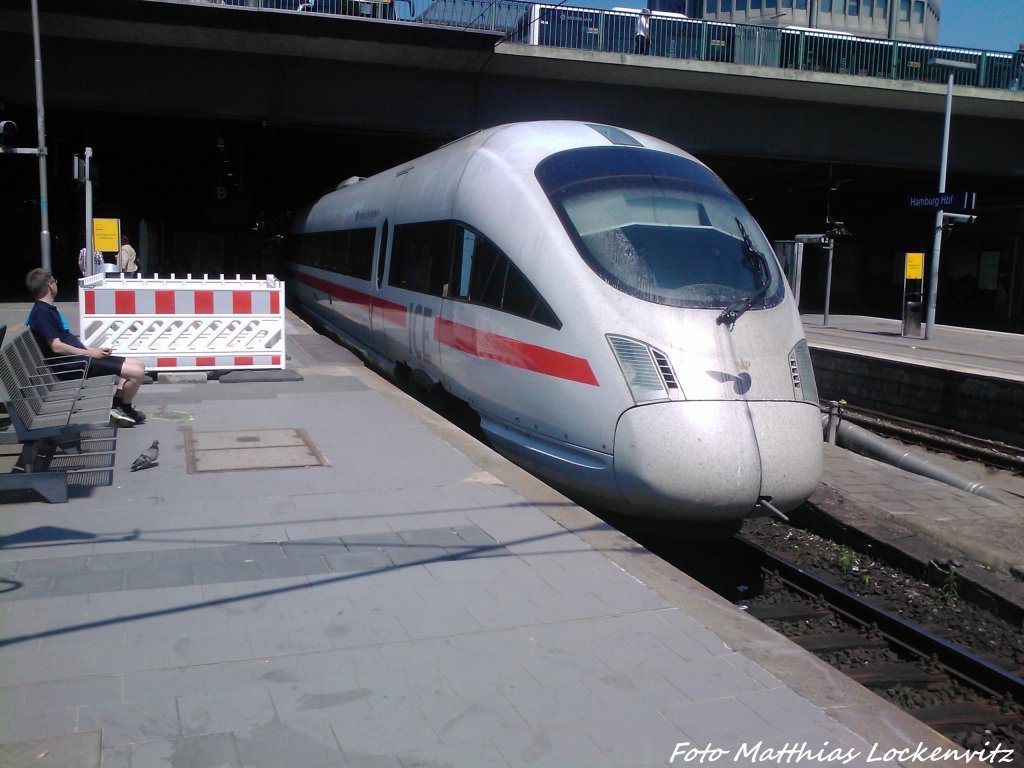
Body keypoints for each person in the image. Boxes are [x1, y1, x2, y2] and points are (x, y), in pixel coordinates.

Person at [25, 268, 147, 428]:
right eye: (55, 281)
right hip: (74, 365)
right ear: (50, 285)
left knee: (138, 365)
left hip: (81, 358)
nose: (56, 284)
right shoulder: (42, 313)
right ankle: (125, 408)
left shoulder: (46, 310)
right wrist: (91, 352)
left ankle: (118, 405)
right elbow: (57, 347)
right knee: (136, 373)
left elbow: (65, 342)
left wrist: (92, 350)